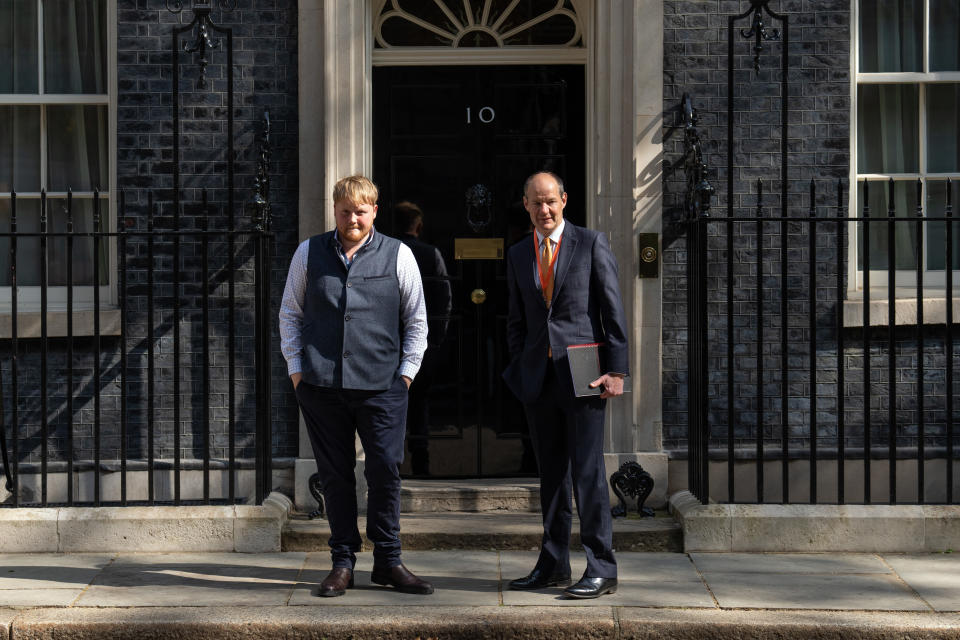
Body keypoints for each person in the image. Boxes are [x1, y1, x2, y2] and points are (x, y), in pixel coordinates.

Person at [279, 175, 433, 597]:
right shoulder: (308, 253)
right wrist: (297, 370)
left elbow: (417, 320)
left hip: (383, 385)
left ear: (374, 212)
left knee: (385, 471)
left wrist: (406, 374)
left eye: (360, 211)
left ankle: (388, 560)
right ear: (335, 211)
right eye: (345, 211)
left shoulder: (399, 254)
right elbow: (290, 313)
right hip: (321, 385)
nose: (352, 218)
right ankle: (342, 562)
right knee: (335, 476)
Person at [502, 171, 629, 599]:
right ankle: (554, 563)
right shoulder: (520, 253)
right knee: (552, 475)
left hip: (585, 371)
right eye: (536, 203)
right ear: (526, 205)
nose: (544, 210)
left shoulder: (591, 243)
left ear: (564, 200)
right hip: (539, 375)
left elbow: (612, 309)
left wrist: (617, 370)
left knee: (589, 474)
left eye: (551, 201)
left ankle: (601, 567)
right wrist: (521, 364)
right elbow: (516, 319)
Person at [395, 201, 452, 476]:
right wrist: (438, 339)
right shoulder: (431, 254)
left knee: (391, 403)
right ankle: (421, 462)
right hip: (425, 341)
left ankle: (393, 464)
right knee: (420, 402)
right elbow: (444, 296)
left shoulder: (386, 253)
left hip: (391, 342)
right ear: (418, 226)